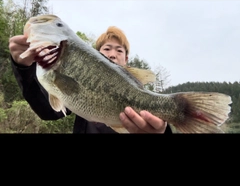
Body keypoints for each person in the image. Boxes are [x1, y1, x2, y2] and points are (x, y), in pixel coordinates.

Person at [9, 26, 172, 134]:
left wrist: (164, 131)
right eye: (106, 49)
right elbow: (47, 110)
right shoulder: (79, 84)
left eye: (119, 50)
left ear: (126, 59)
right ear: (94, 56)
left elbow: (160, 122)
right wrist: (23, 67)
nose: (113, 54)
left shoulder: (143, 96)